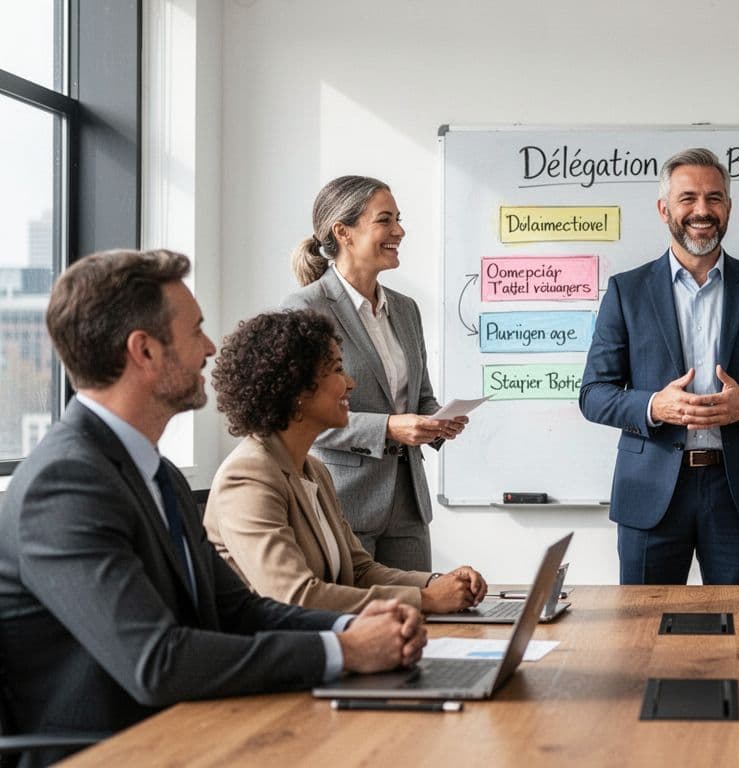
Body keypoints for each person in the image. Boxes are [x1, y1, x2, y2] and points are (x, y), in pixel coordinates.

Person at [0, 250, 424, 765]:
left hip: (190, 731)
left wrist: (347, 629)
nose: (208, 347)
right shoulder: (64, 485)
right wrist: (344, 652)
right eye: (195, 330)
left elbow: (237, 610)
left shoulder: (158, 473)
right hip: (114, 752)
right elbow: (156, 662)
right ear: (145, 351)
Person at [580, 148, 739, 585]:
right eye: (688, 198)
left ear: (728, 207)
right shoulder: (626, 292)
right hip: (649, 493)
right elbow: (594, 394)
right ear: (664, 208)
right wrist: (655, 406)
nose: (702, 211)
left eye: (714, 198)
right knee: (643, 637)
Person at [204, 310, 487, 614]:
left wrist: (435, 582)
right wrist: (426, 600)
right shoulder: (248, 477)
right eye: (338, 369)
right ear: (296, 387)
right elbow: (295, 597)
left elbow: (359, 571)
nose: (350, 383)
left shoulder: (314, 471)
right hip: (281, 655)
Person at [283, 175, 464, 571]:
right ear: (343, 232)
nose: (399, 231)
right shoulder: (305, 310)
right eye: (385, 220)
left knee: (422, 616)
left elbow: (418, 398)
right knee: (358, 624)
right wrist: (388, 428)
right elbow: (299, 414)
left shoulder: (405, 309)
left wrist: (436, 420)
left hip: (409, 503)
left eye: (398, 219)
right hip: (345, 499)